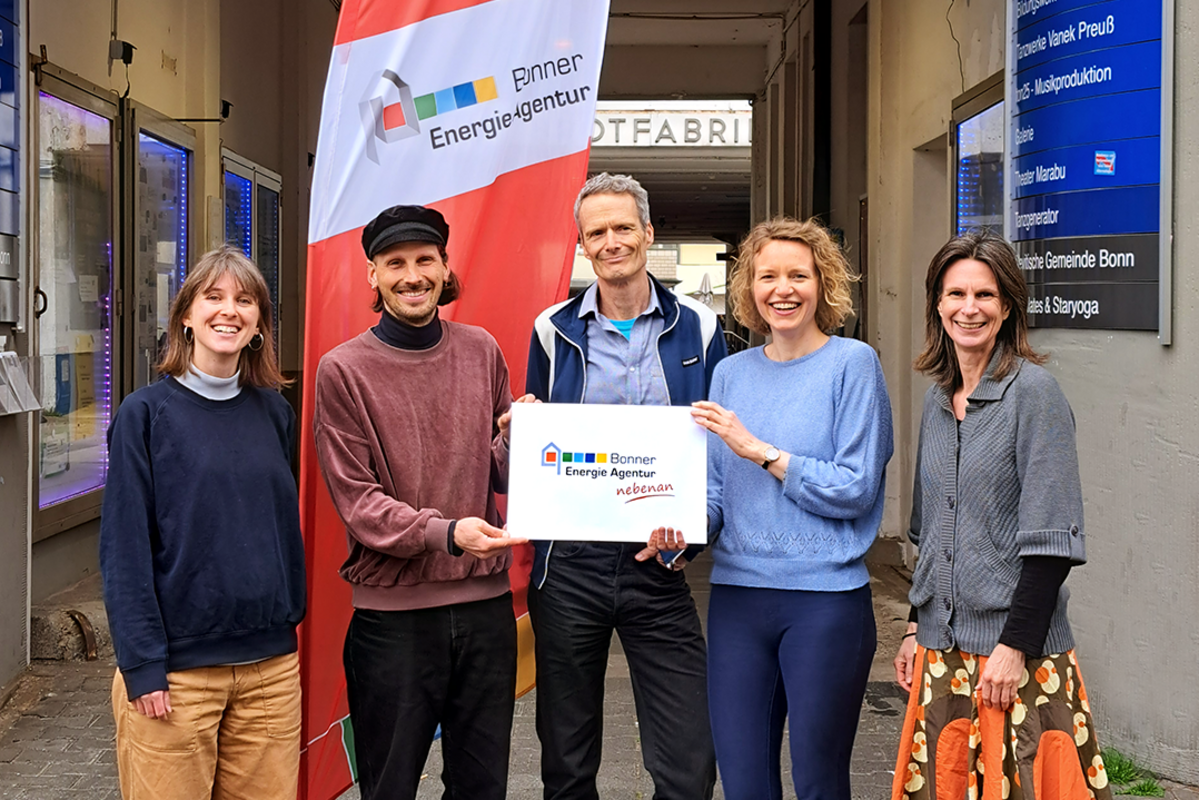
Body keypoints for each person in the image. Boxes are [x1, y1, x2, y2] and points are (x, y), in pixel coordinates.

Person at [313, 205, 531, 800]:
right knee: (389, 788)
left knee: (482, 788)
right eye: (396, 263)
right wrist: (448, 533)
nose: (413, 276)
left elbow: (499, 472)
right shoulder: (343, 370)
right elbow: (359, 503)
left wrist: (523, 437)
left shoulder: (481, 349)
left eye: (424, 260)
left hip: (486, 613)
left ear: (444, 267)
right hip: (394, 623)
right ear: (373, 275)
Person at [524, 172, 724, 799]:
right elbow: (532, 448)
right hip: (569, 567)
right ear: (583, 245)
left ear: (648, 233)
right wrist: (521, 430)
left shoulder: (700, 327)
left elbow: (720, 449)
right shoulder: (552, 329)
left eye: (622, 227)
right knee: (566, 761)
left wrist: (695, 536)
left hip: (660, 564)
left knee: (689, 762)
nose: (611, 242)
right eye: (597, 232)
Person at [891, 230, 1110, 800]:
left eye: (985, 294)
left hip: (1015, 660)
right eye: (956, 293)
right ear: (938, 305)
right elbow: (930, 535)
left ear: (1008, 306)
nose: (969, 308)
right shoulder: (938, 401)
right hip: (942, 655)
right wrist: (915, 628)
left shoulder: (1034, 394)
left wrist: (1013, 648)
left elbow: (1052, 543)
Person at [681, 218, 893, 800]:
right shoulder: (729, 373)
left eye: (798, 275)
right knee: (744, 784)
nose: (783, 289)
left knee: (818, 782)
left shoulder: (853, 364)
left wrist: (763, 452)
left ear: (823, 284)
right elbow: (716, 491)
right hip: (737, 601)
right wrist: (682, 532)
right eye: (767, 276)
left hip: (826, 603)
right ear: (748, 288)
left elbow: (855, 488)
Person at [100, 246, 305, 800]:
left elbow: (277, 528)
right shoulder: (144, 415)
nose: (229, 311)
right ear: (186, 316)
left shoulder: (275, 413)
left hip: (270, 674)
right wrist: (142, 664)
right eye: (213, 297)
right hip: (176, 677)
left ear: (259, 323)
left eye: (245, 300)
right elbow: (124, 548)